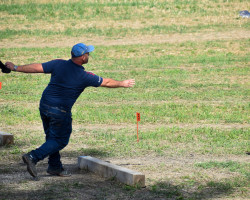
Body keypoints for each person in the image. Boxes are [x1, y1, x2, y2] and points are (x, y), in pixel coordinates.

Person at [5, 43, 135, 178]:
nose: (89, 55)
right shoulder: (84, 76)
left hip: (44, 105)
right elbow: (106, 82)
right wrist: (122, 83)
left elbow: (36, 67)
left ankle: (55, 167)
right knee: (60, 140)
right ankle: (33, 156)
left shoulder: (58, 64)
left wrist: (15, 67)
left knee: (51, 138)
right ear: (83, 57)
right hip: (59, 111)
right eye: (88, 53)